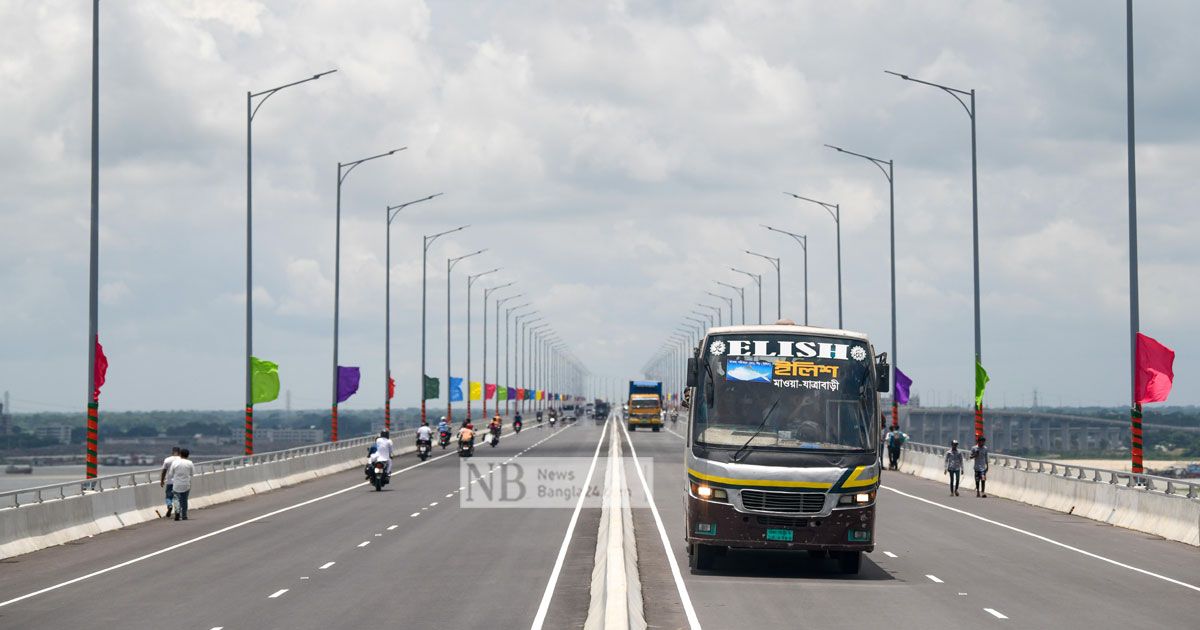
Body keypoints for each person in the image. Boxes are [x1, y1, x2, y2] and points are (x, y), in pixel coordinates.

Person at [166, 448, 195, 521]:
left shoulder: (175, 463)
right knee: (184, 500)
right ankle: (184, 515)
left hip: (176, 484)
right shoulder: (190, 463)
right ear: (188, 455)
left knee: (176, 499)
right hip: (186, 484)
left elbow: (171, 474)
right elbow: (192, 473)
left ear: (180, 454)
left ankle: (177, 512)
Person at [159, 446, 181, 518]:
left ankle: (169, 505)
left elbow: (164, 471)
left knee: (168, 496)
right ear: (179, 452)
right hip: (179, 482)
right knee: (177, 497)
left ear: (172, 452)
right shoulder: (182, 460)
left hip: (170, 482)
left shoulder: (167, 460)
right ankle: (177, 511)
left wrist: (162, 481)